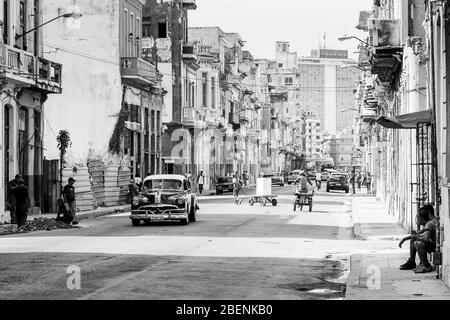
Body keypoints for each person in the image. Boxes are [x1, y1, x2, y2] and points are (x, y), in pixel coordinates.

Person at [399, 204, 438, 273]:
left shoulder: (430, 223)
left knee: (418, 244)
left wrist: (417, 237)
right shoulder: (431, 222)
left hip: (434, 246)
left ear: (428, 212)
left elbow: (425, 238)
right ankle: (413, 262)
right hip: (434, 245)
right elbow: (420, 232)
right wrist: (406, 238)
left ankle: (426, 266)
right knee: (414, 239)